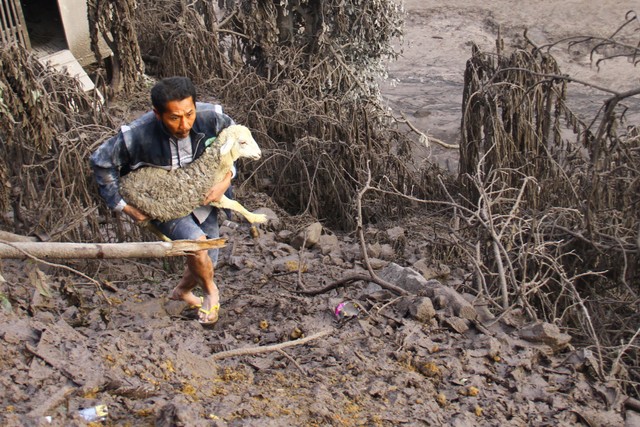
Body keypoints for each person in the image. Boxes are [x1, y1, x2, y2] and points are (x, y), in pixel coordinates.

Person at [90, 76, 235, 325]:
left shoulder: (214, 118)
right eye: (174, 118)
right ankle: (212, 294)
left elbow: (235, 144)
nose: (185, 124)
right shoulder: (135, 135)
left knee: (207, 257)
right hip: (162, 202)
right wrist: (125, 207)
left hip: (201, 197)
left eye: (189, 114)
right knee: (197, 245)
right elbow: (101, 163)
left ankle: (181, 292)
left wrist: (227, 179)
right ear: (157, 114)